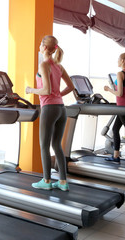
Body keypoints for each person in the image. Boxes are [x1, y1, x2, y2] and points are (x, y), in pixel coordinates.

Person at [25, 35, 74, 191]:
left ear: (45, 48)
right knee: (57, 145)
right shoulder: (59, 66)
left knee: (44, 145)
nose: (39, 46)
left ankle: (46, 181)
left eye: (40, 44)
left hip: (49, 109)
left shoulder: (44, 65)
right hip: (61, 108)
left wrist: (30, 90)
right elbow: (71, 86)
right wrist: (58, 95)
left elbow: (46, 90)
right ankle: (63, 182)